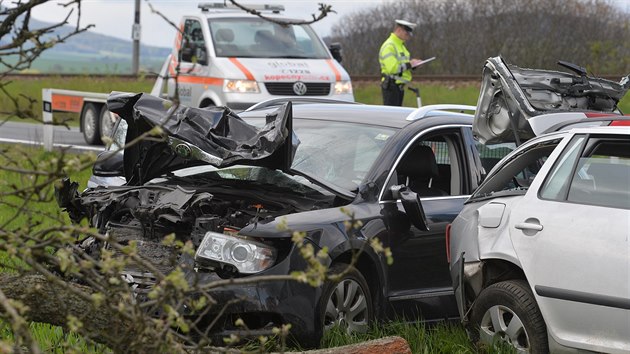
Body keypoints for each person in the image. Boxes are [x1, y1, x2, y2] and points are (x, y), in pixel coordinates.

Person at [379, 19, 423, 106]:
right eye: (407, 33)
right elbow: (392, 68)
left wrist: (413, 65)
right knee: (392, 117)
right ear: (399, 30)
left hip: (398, 87)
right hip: (391, 87)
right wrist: (410, 64)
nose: (409, 36)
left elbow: (403, 65)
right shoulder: (389, 46)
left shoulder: (400, 45)